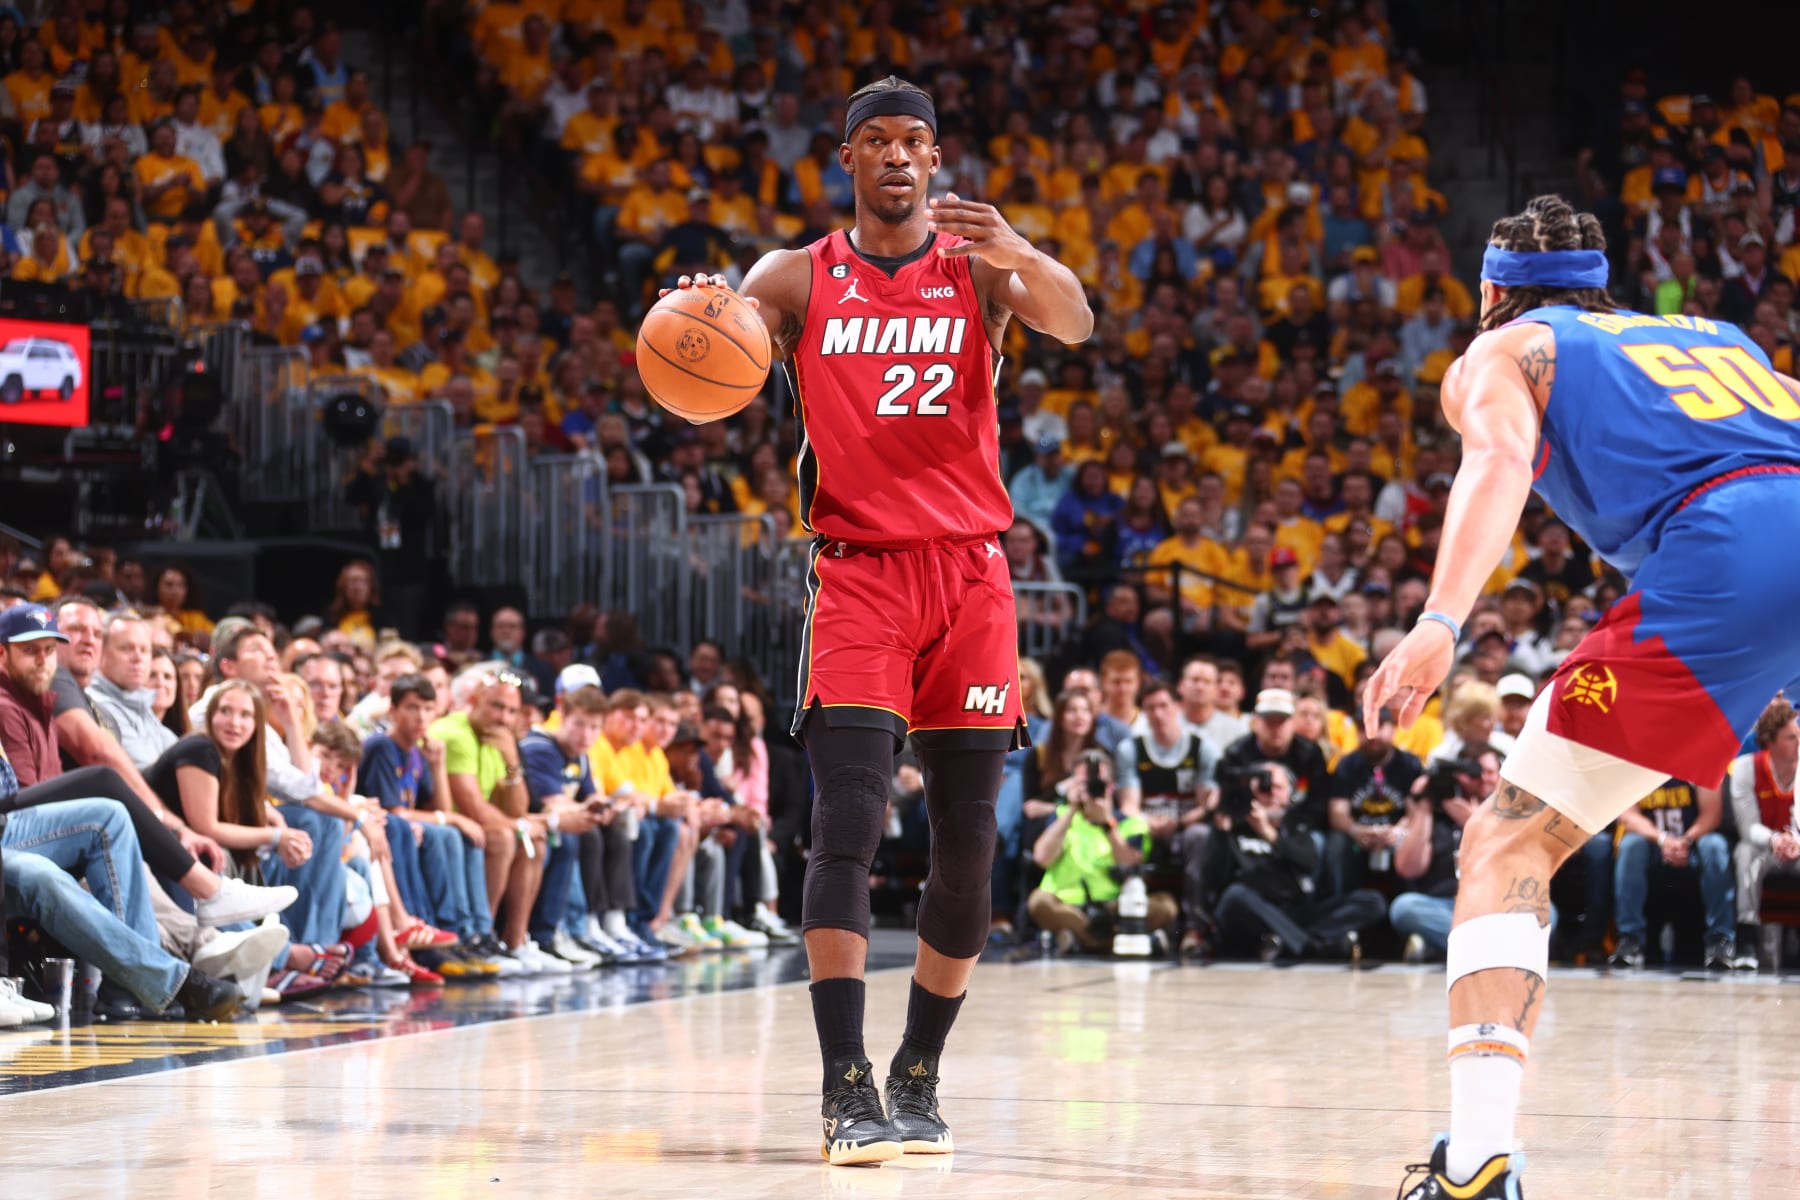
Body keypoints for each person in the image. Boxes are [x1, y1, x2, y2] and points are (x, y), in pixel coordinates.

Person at [671, 74, 1092, 1165]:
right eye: (878, 141)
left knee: (968, 846)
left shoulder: (979, 266)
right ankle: (843, 1080)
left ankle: (918, 1070)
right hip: (858, 571)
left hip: (974, 580)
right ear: (847, 157)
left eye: (917, 141)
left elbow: (1078, 320)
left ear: (938, 159)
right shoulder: (795, 276)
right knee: (847, 820)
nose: (900, 156)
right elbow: (728, 339)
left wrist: (1022, 250)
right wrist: (702, 311)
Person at [1366, 194, 1800, 1198]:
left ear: (1490, 292)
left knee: (1508, 841)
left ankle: (1477, 1168)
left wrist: (1440, 620)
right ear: (1606, 286)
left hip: (1728, 553)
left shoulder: (1506, 350)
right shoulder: (1716, 337)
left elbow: (1500, 461)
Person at [1024, 750, 1173, 951]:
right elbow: (1041, 857)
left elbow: (1130, 864)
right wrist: (1071, 810)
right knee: (1038, 901)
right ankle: (1116, 942)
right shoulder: (1061, 816)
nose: (1092, 789)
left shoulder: (1131, 824)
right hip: (1069, 906)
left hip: (1116, 908)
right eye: (1084, 784)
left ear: (1111, 786)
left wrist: (1107, 824)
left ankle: (1077, 940)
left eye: (1098, 784)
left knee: (1166, 906)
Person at [1388, 746, 1501, 958]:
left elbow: (1507, 864)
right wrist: (1423, 808)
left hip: (1489, 905)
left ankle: (1442, 947)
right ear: (1459, 775)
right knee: (1403, 908)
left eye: (1490, 772)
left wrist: (1471, 821)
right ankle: (1487, 951)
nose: (1483, 779)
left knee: (1546, 910)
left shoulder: (1503, 812)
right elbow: (1408, 869)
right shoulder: (1434, 814)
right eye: (1475, 773)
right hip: (1442, 905)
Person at [1610, 777, 1733, 970]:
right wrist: (1663, 839)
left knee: (1715, 846)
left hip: (1692, 844)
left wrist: (1685, 841)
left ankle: (1720, 940)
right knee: (1630, 845)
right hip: (1653, 845)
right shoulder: (1638, 759)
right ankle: (1630, 938)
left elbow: (1712, 814)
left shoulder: (1699, 757)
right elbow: (1628, 816)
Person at [1725, 697, 1800, 972]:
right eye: (1791, 738)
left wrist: (1796, 842)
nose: (1798, 742)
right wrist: (1775, 840)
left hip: (1797, 848)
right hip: (1765, 847)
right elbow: (1747, 827)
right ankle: (1746, 938)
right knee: (1744, 852)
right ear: (1771, 741)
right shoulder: (1746, 768)